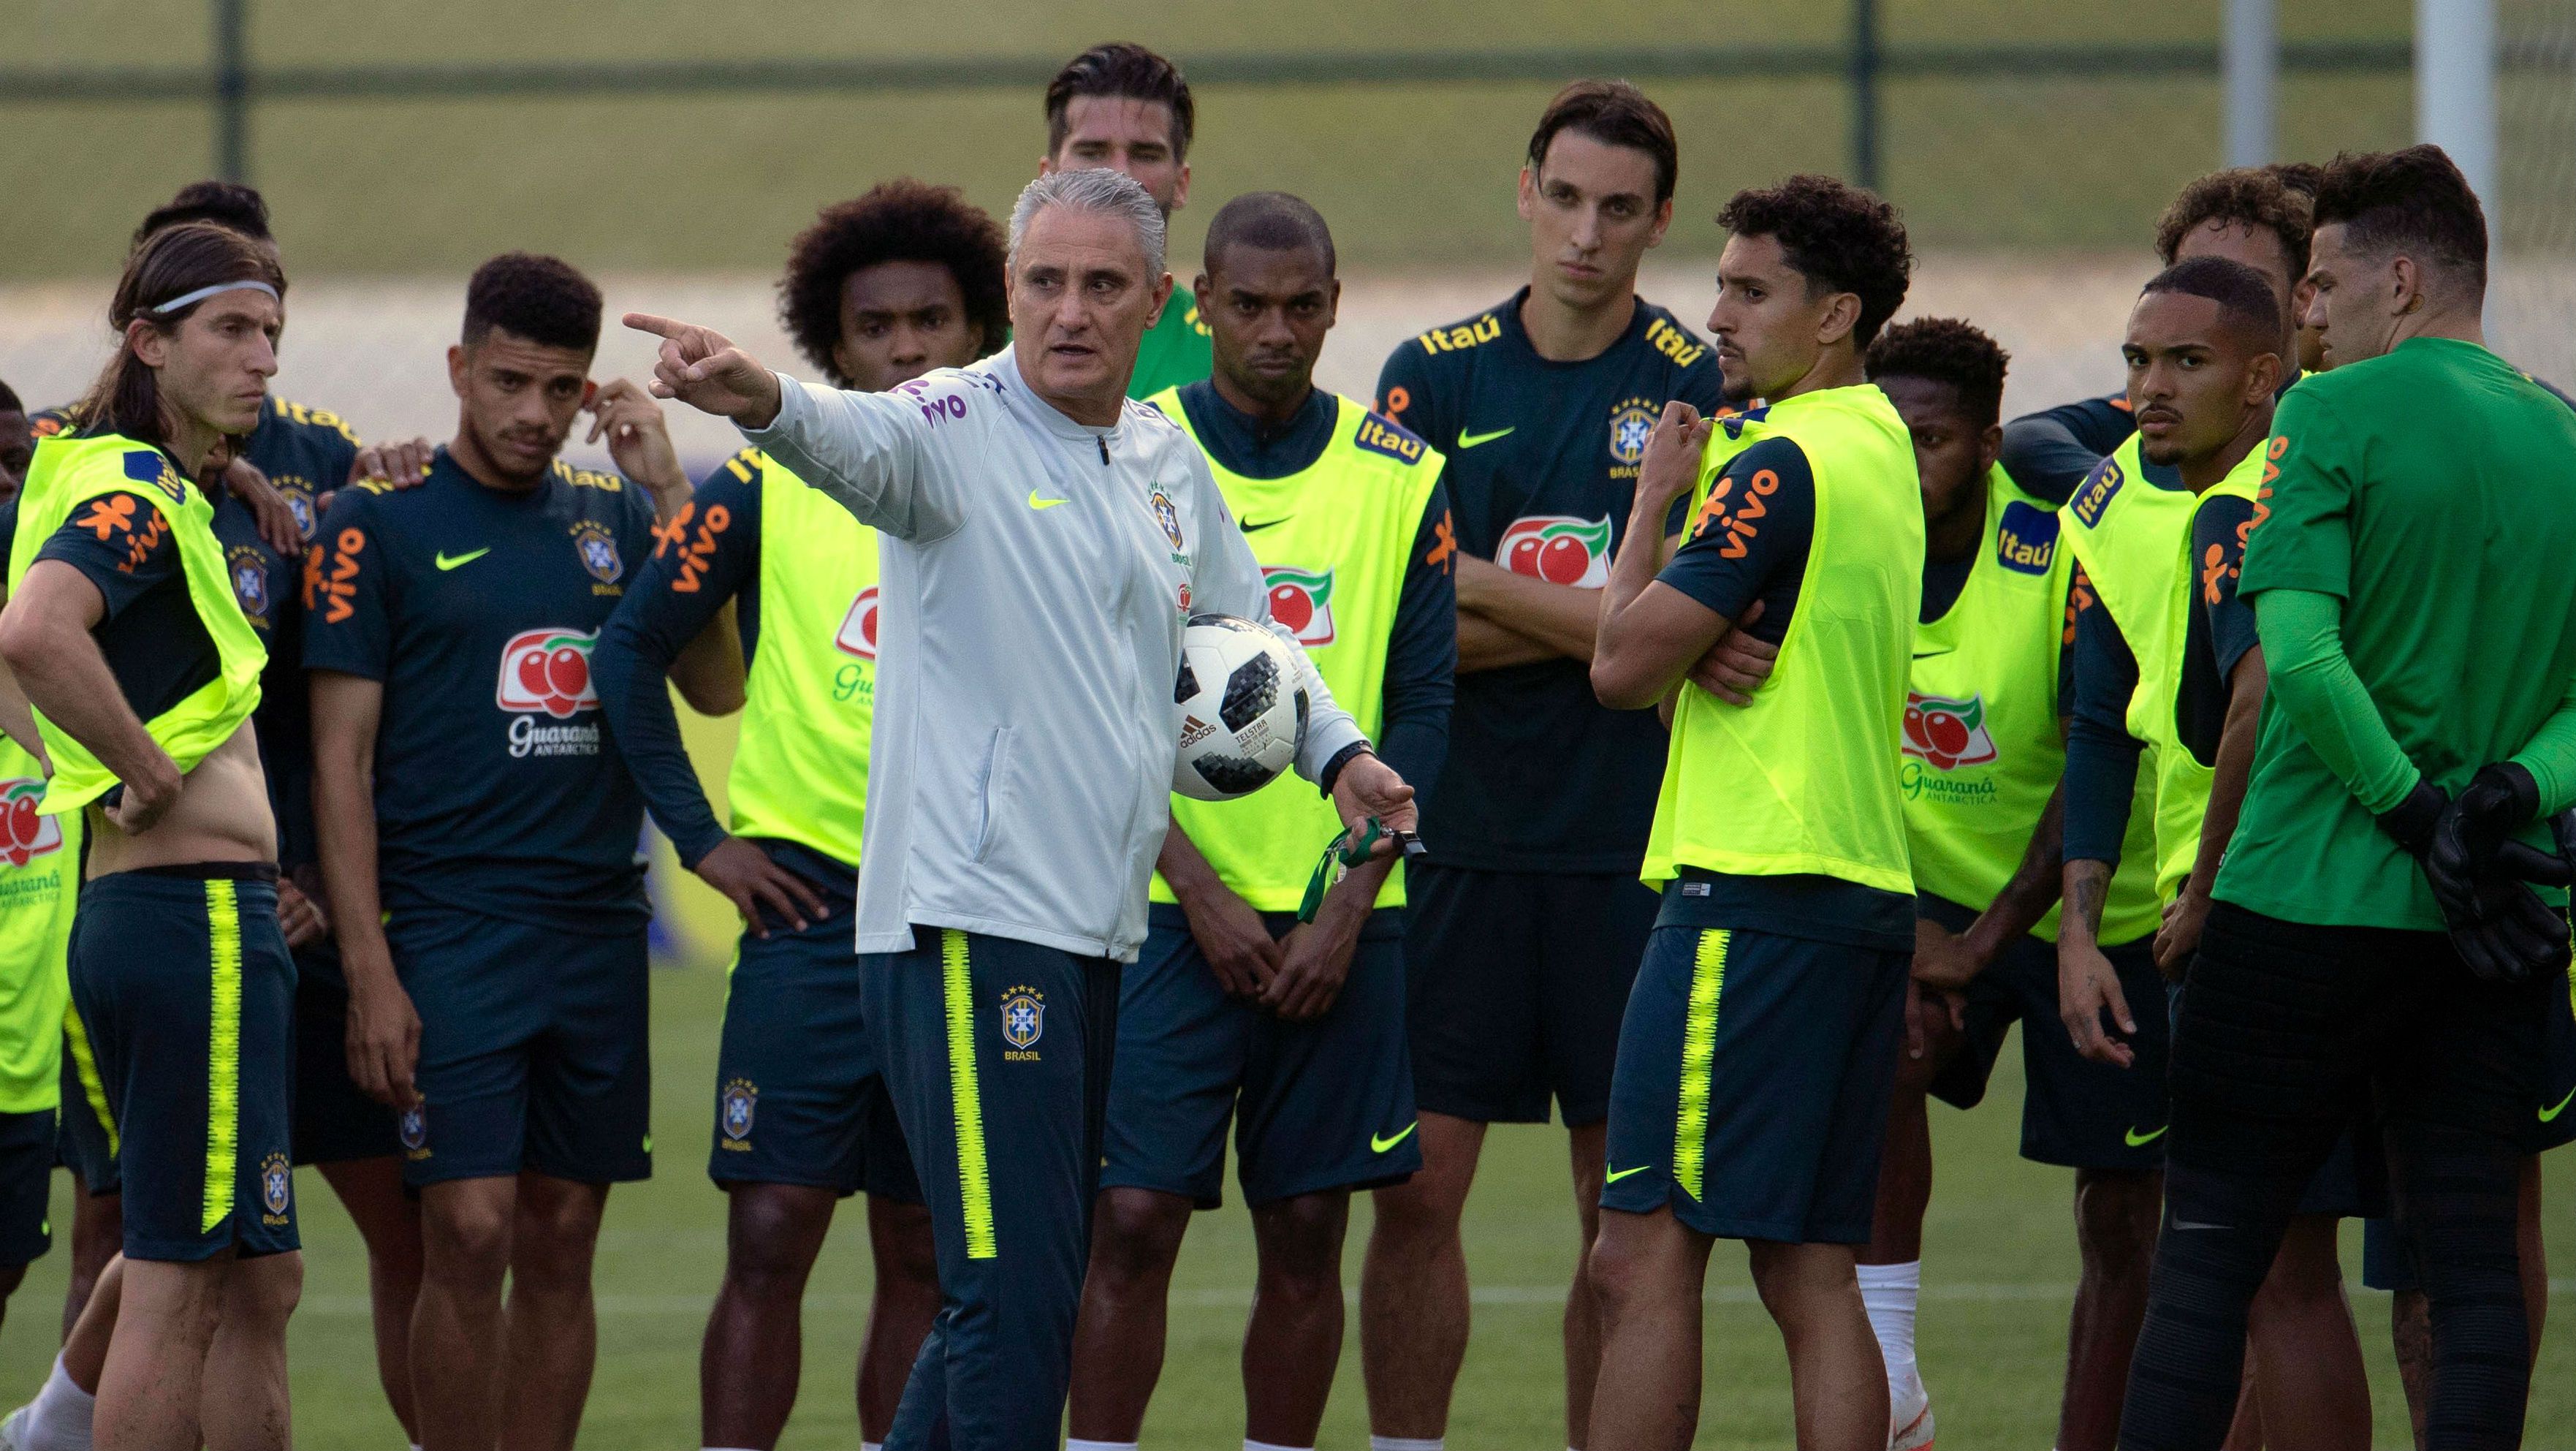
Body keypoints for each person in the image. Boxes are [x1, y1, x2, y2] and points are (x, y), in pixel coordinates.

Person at [626, 166, 1417, 1450]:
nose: (1070, 310)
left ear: (1158, 304)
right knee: (1014, 1294)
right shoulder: (949, 425)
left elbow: (1240, 635)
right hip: (967, 928)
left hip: (1095, 930)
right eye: (1044, 281)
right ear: (1010, 293)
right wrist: (759, 399)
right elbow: (851, 437)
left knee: (1012, 1292)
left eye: (1104, 285)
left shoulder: (1163, 455)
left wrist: (1340, 759)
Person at [2115, 143, 2576, 1451]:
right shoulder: (2564, 435)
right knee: (2475, 1268)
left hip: (2307, 899)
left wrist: (2414, 811)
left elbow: (2299, 657)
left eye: (2320, 284)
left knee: (2209, 1258)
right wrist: (2502, 801)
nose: (2304, 313)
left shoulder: (2327, 417)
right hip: (2485, 920)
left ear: (2407, 280)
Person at [590, 179, 1008, 1451]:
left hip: (968, 910)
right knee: (770, 1234)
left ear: (980, 328)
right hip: (813, 914)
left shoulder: (1033, 482)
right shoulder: (772, 483)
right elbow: (630, 651)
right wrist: (701, 839)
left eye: (932, 320)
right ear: (832, 350)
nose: (907, 349)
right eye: (875, 329)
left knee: (924, 1245)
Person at [304, 252, 732, 1451]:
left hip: (597, 932)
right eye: (507, 383)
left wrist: (664, 498)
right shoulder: (372, 525)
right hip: (445, 931)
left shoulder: (609, 521)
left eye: (559, 391)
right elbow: (340, 760)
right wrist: (371, 970)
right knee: (471, 1230)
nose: (533, 415)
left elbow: (715, 684)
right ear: (457, 368)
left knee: (558, 1240)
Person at [1359, 80, 1723, 1451]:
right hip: (1454, 838)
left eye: (1619, 209)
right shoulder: (1432, 371)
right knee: (1416, 1199)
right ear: (1526, 192)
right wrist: (1613, 630)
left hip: (1629, 852)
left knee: (1619, 1227)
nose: (1586, 233)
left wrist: (1487, 593)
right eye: (1564, 198)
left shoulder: (1694, 379)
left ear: (1658, 219)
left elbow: (1698, 622)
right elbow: (1410, 626)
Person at [1065, 192, 1456, 1451]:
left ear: (1337, 307)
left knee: (1306, 1233)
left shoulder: (1406, 480)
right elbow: (1085, 701)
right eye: (1248, 306)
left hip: (1346, 919)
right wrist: (1197, 888)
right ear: (1200, 307)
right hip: (1165, 915)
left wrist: (1351, 900)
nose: (1276, 331)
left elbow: (1427, 709)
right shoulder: (1127, 450)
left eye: (1303, 307)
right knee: (1129, 1221)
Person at [2005, 167, 2379, 1447]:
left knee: (2285, 1268)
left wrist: (2206, 889)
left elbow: (2262, 701)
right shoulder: (2108, 499)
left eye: (2185, 363)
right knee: (2228, 1257)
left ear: (2269, 374)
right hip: (2181, 917)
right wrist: (2076, 926)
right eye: (2135, 360)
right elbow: (2102, 722)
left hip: (2275, 907)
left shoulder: (2272, 493)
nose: (2151, 388)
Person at [1587, 173, 1920, 1451]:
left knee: (1643, 1254)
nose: (1715, 313)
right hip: (1857, 898)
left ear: (1834, 315)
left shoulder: (1773, 461)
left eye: (1748, 289)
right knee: (1809, 1270)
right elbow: (1689, 683)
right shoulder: (1879, 443)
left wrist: (1652, 507)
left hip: (1754, 898)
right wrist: (1687, 644)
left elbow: (1620, 670)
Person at [0, 221, 302, 1450]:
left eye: (273, 332)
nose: (262, 358)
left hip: (176, 926)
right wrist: (132, 770)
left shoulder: (142, 483)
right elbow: (31, 634)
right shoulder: (130, 496)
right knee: (179, 1286)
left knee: (254, 1280)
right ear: (148, 341)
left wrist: (71, 761)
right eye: (231, 329)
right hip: (194, 926)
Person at [1855, 317, 2167, 1451]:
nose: (1902, 461)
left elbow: (2099, 746)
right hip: (1928, 905)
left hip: (2098, 911)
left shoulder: (2057, 552)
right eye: (1883, 436)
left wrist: (1987, 937)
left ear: (1989, 445)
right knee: (1880, 1052)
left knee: (2122, 1209)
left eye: (1928, 438)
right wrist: (1909, 930)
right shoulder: (1845, 544)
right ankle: (1890, 1383)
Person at [1042, 42, 1209, 398]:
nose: (1119, 174)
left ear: (1182, 184)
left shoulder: (1224, 354)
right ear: (1047, 177)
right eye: (1092, 152)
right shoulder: (983, 335)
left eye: (1145, 154)